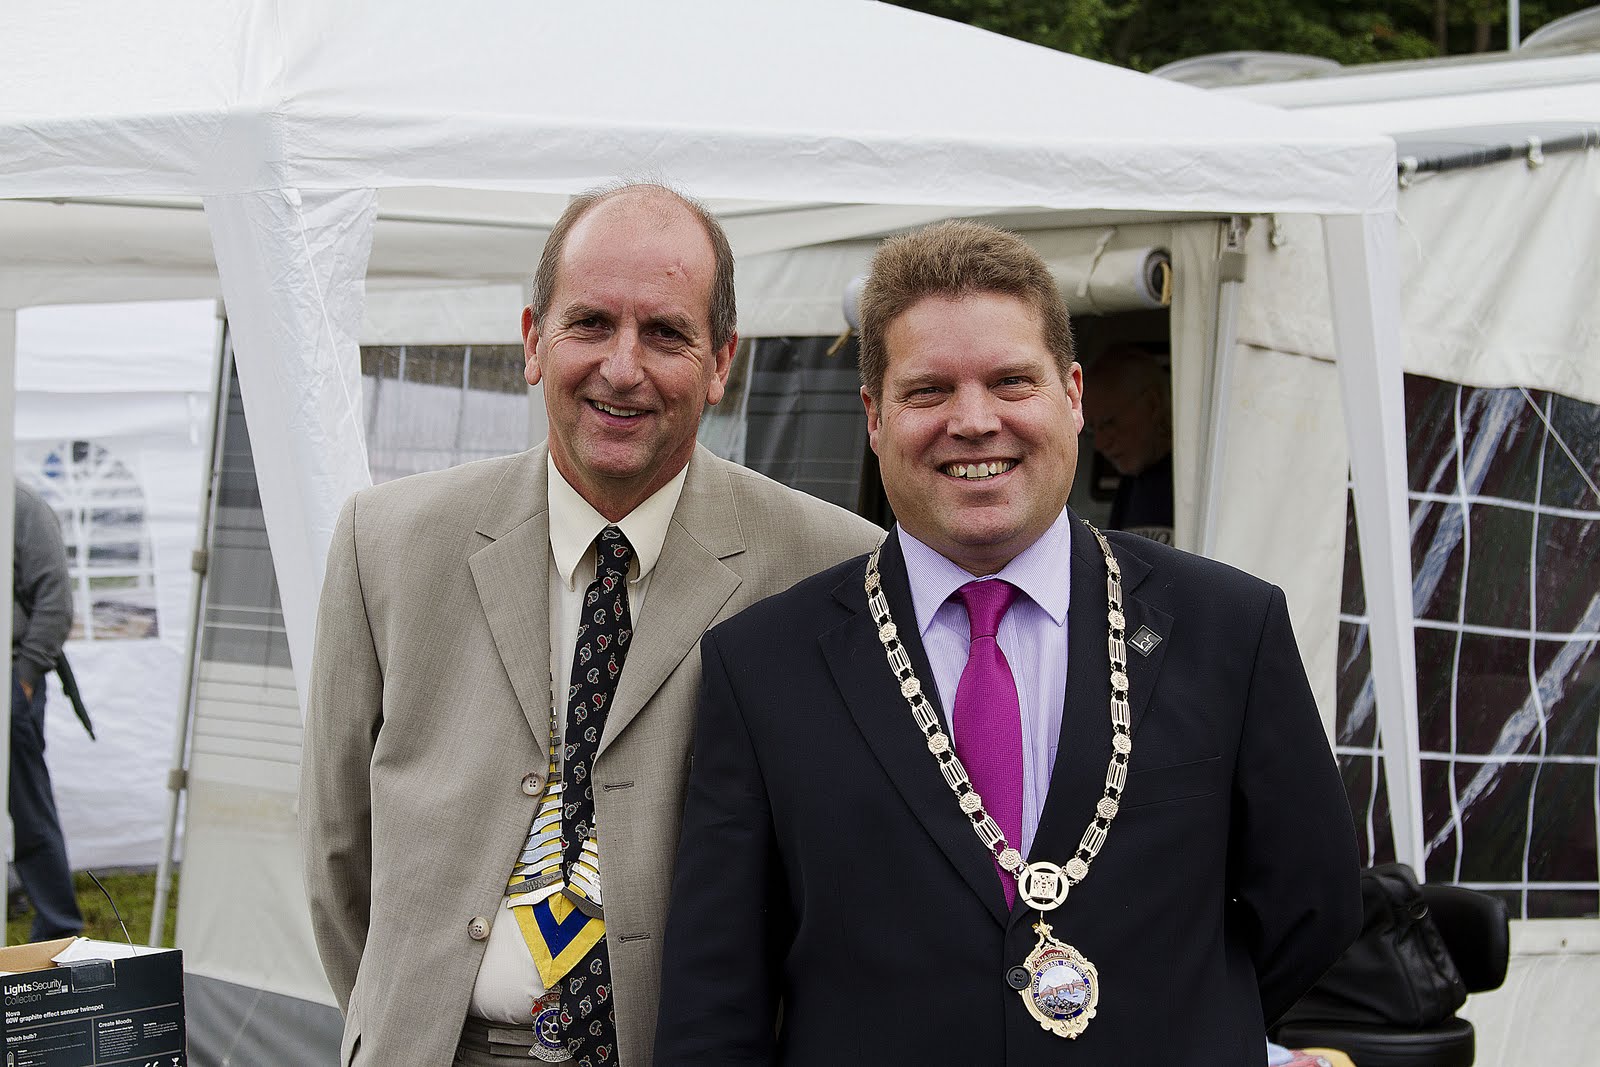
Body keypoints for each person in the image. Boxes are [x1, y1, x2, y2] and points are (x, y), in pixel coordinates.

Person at [656, 220, 1361, 1064]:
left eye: (1010, 381)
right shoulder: (763, 667)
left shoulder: (1228, 630)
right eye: (929, 391)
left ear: (1072, 393)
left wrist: (1176, 1024)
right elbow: (715, 1002)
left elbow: (1314, 904)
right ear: (874, 416)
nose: (974, 420)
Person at [300, 183, 883, 1067]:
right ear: (534, 340)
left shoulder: (833, 569)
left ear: (722, 361)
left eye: (666, 333)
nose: (622, 366)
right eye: (591, 323)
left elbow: (847, 884)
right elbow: (338, 853)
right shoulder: (386, 544)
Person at [10, 481, 83, 941]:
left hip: (11, 680)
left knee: (29, 807)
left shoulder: (22, 507)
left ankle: (58, 932)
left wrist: (24, 677)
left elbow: (56, 602)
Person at [1083, 345, 1173, 542]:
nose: (1100, 443)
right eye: (1092, 429)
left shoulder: (1192, 483)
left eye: (1109, 423)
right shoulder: (1131, 484)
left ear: (1152, 404)